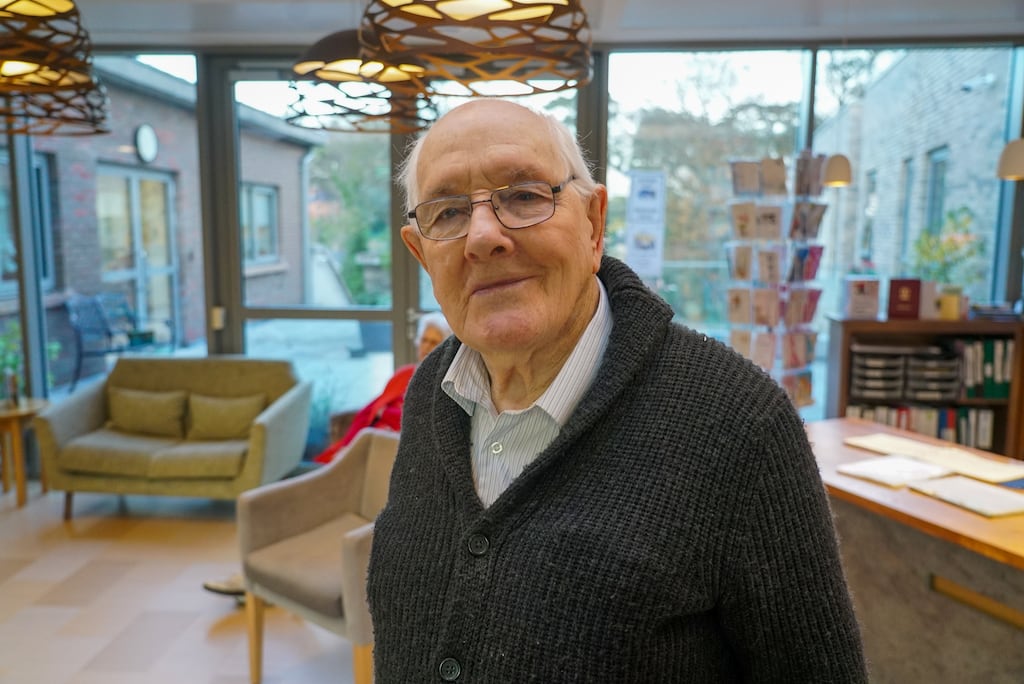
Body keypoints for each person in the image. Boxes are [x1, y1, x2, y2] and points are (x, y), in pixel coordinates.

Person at [367, 99, 867, 682]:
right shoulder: (432, 392)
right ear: (421, 252)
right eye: (449, 211)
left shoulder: (738, 423)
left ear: (593, 223)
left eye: (524, 196)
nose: (482, 236)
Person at [201, 311, 450, 598]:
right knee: (295, 506)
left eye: (435, 342)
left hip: (389, 468)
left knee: (323, 516)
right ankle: (260, 576)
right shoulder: (403, 376)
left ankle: (267, 581)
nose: (426, 347)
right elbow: (367, 415)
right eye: (424, 340)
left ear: (446, 347)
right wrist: (345, 448)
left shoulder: (444, 386)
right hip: (356, 460)